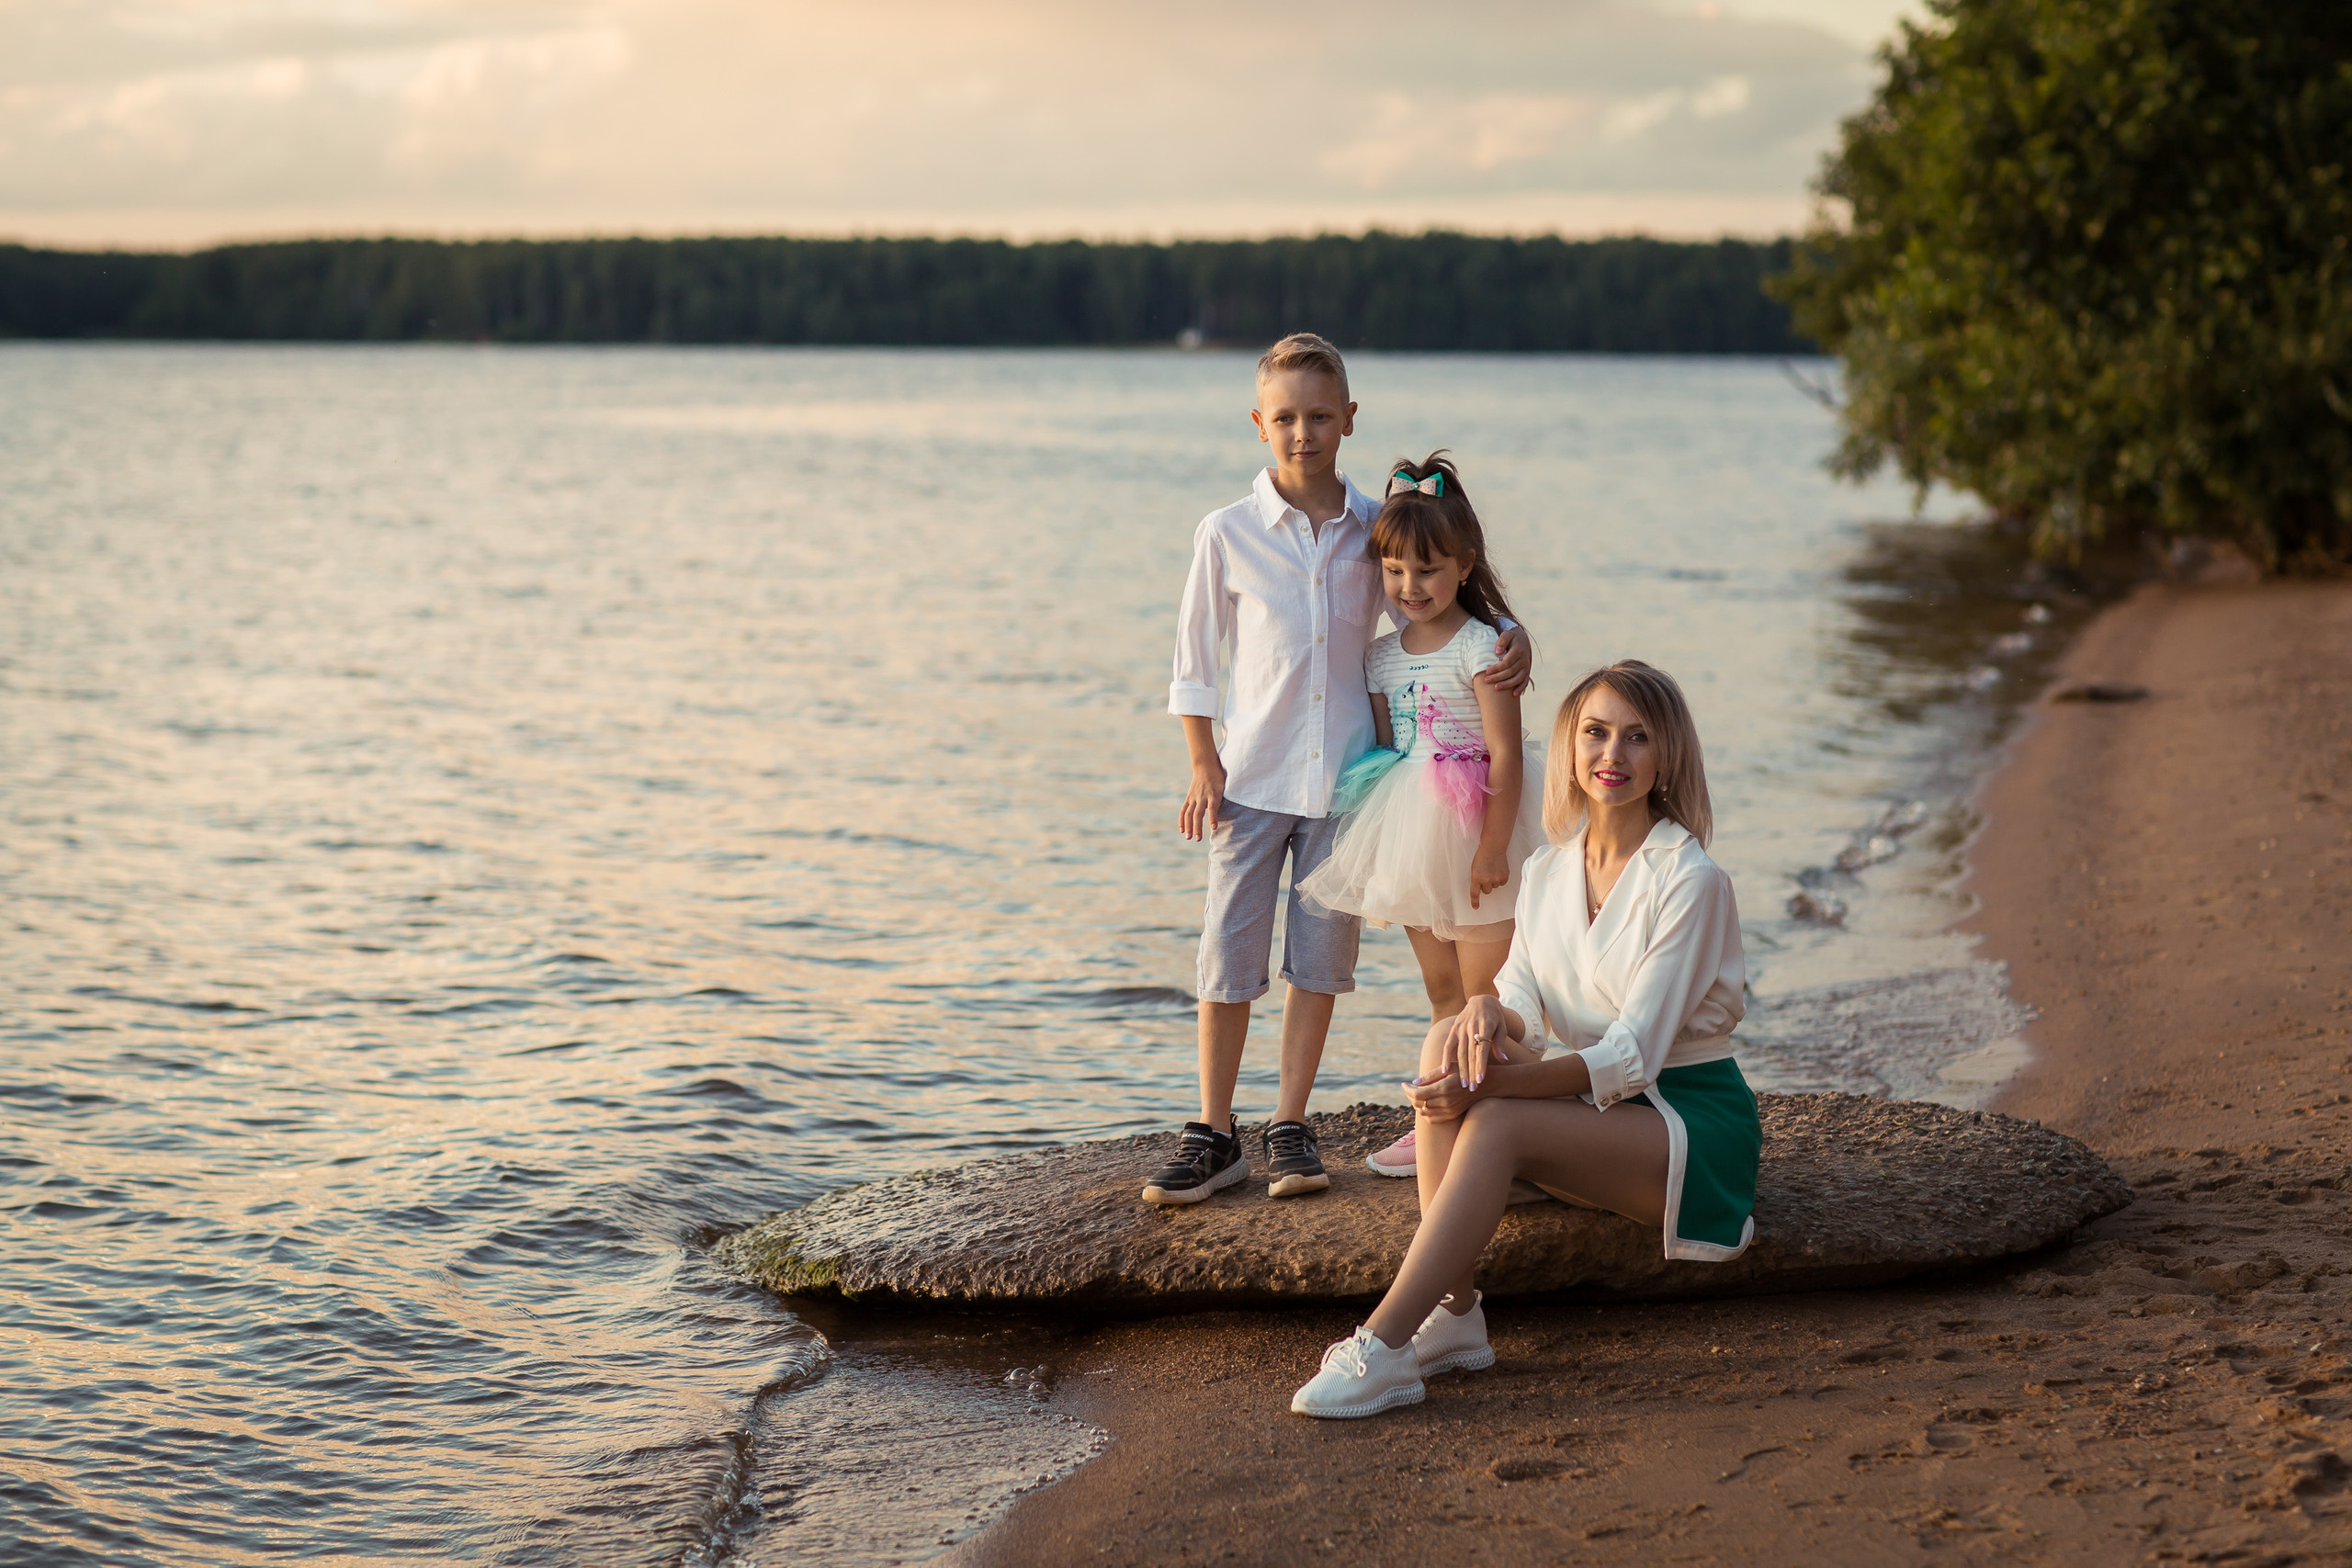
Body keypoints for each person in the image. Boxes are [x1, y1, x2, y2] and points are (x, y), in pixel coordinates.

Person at [1288, 660, 1759, 1417]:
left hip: (1686, 1124)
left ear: (1666, 756)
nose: (1614, 754)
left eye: (1638, 737)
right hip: (1597, 1115)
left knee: (1494, 1115)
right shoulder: (1545, 869)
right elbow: (1520, 998)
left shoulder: (1690, 879)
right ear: (1570, 749)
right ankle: (1456, 1313)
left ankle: (1381, 1343)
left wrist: (1496, 1084)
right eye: (1596, 733)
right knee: (1448, 1035)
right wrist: (1485, 1016)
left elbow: (1633, 1055)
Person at [1146, 334, 1532, 1205]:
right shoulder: (1228, 534)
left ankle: (1290, 1123)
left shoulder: (1374, 529)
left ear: (1349, 420)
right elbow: (1193, 663)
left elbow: (1447, 602)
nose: (1303, 432)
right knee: (1227, 955)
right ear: (1258, 424)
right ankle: (1214, 1131)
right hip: (1250, 781)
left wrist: (1516, 636)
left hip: (1346, 789)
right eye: (1285, 417)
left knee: (1319, 962)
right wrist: (1202, 760)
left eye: (1321, 416)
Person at [1296, 453, 1545, 1187]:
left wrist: (1494, 846)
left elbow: (1507, 755)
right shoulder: (1378, 657)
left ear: (1464, 565)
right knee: (1442, 994)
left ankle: (1506, 1124)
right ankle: (1443, 1115)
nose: (1410, 588)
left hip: (1478, 833)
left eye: (1429, 571)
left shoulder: (1484, 647)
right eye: (1396, 571)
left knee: (1487, 998)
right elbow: (1386, 752)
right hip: (1408, 833)